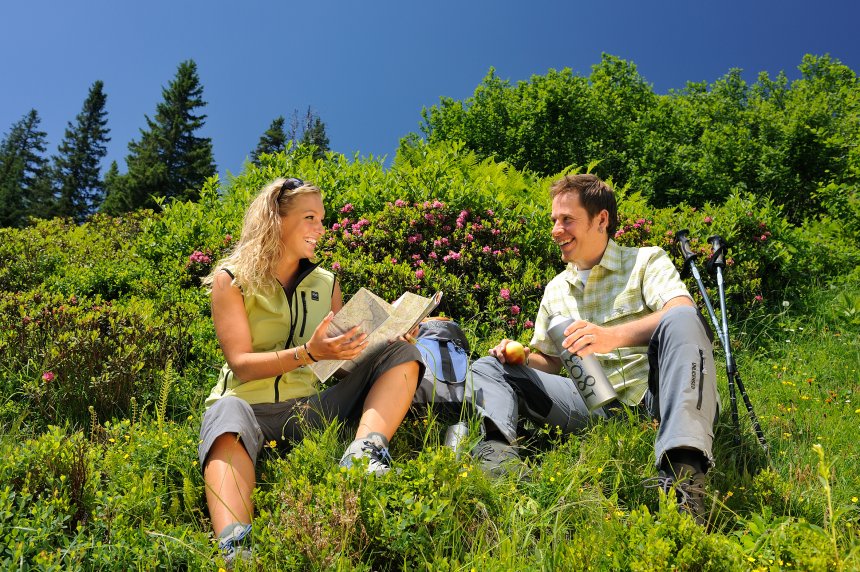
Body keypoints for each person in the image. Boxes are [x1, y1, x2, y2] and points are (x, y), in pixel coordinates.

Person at [469, 173, 718, 525]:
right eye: (554, 220)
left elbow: (681, 311)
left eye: (567, 220)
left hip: (655, 398)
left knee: (683, 320)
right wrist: (522, 356)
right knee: (488, 367)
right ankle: (501, 466)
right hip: (590, 405)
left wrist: (611, 336)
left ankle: (683, 484)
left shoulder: (646, 261)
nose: (556, 230)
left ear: (601, 219)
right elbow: (551, 362)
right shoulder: (555, 289)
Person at [198, 177, 422, 565]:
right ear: (276, 220)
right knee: (223, 413)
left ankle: (364, 451)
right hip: (251, 411)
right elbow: (241, 364)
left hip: (313, 408)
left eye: (322, 218)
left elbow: (334, 366)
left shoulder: (326, 282)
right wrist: (307, 353)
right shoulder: (230, 279)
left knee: (402, 352)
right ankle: (236, 546)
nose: (322, 228)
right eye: (310, 217)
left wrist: (382, 341)